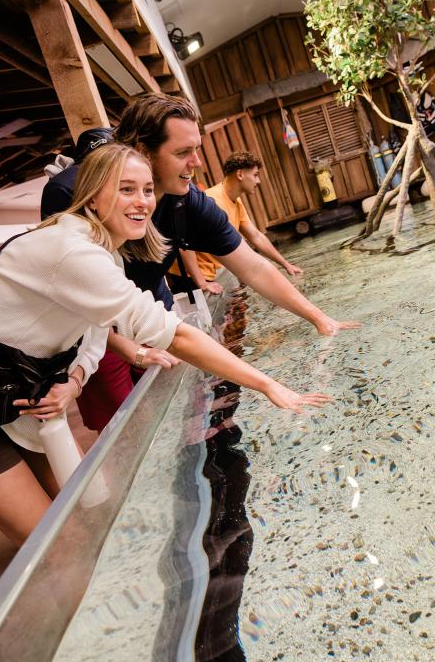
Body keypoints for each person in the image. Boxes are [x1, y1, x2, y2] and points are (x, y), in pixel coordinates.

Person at [0, 143, 330, 546]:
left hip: (19, 397)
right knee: (62, 543)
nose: (142, 201)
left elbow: (95, 334)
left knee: (92, 516)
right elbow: (174, 334)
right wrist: (268, 384)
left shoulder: (104, 252)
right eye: (126, 189)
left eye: (146, 189)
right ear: (92, 198)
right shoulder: (71, 251)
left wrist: (74, 381)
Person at [41, 96, 358, 432]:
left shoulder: (186, 200)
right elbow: (77, 300)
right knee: (128, 430)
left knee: (188, 418)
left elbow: (252, 266)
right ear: (142, 151)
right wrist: (130, 350)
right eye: (182, 153)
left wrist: (320, 319)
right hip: (94, 325)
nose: (197, 163)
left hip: (149, 304)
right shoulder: (71, 196)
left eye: (197, 149)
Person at [168, 150, 302, 296]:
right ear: (240, 174)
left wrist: (286, 265)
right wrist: (201, 282)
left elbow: (256, 236)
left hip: (210, 272)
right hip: (188, 276)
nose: (258, 181)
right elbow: (183, 244)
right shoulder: (211, 201)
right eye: (255, 175)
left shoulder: (236, 201)